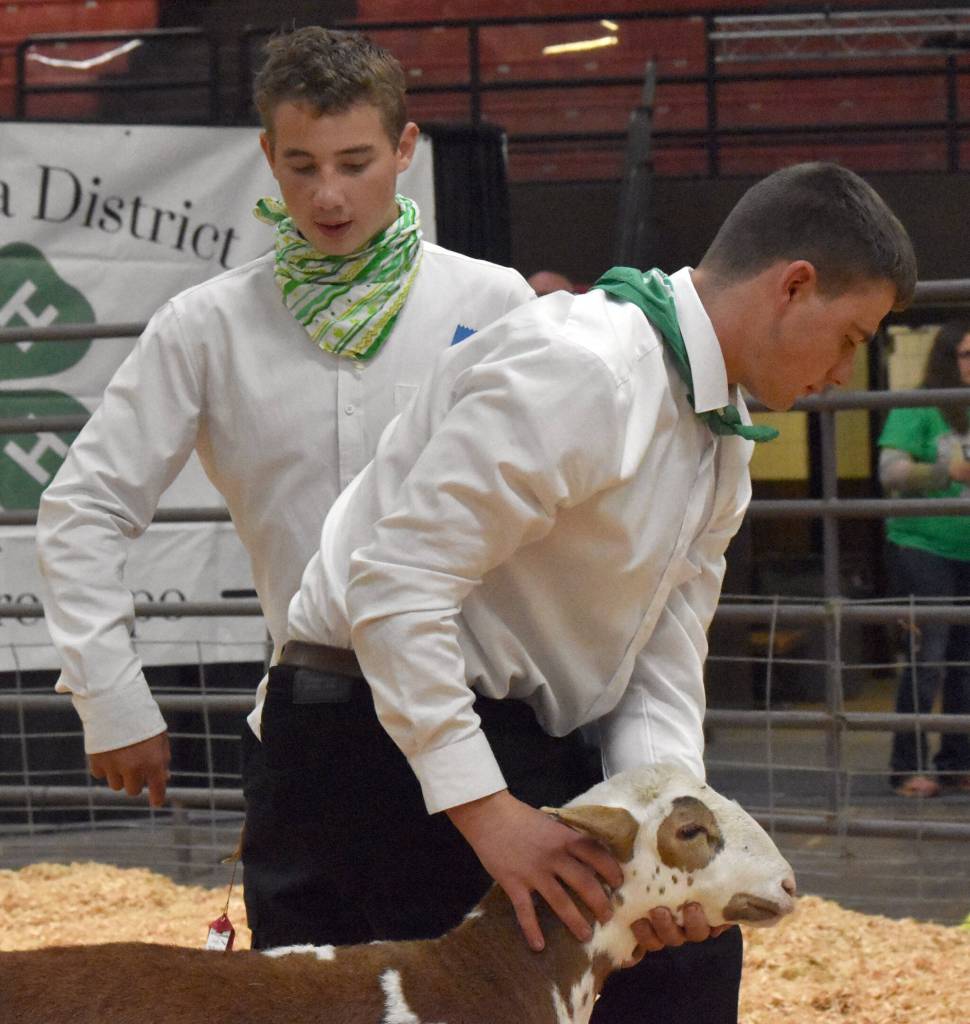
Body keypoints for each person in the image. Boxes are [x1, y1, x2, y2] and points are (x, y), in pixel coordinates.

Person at [248, 161, 915, 1023]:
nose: (842, 371)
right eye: (852, 337)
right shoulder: (582, 368)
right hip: (360, 739)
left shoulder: (724, 443)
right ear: (795, 285)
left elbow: (662, 662)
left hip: (513, 736)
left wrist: (663, 859)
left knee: (687, 968)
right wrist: (492, 819)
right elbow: (397, 588)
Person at [35, 27, 533, 806]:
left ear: (405, 148)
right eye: (302, 166)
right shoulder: (205, 326)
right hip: (314, 723)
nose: (327, 194)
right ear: (268, 155)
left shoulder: (497, 304)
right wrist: (110, 696)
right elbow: (84, 508)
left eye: (354, 163)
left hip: (495, 715)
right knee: (304, 937)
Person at [878, 319, 970, 798]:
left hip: (966, 548)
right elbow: (889, 471)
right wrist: (945, 470)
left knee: (964, 664)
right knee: (925, 659)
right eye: (968, 356)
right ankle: (906, 766)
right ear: (946, 359)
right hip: (923, 546)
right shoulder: (919, 405)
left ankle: (956, 761)